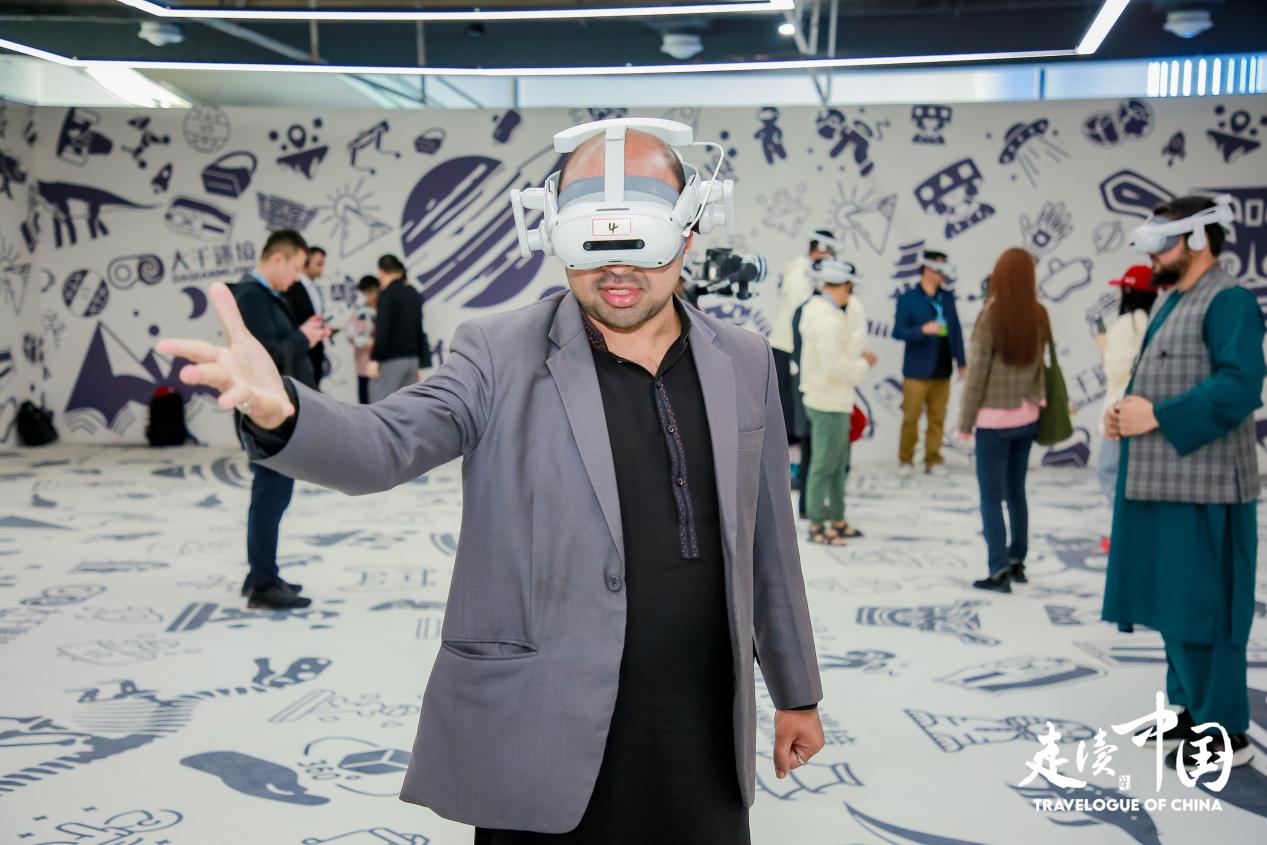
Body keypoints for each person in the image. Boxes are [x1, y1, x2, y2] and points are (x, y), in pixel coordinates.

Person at [160, 118, 824, 843]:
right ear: (553, 234)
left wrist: (796, 692)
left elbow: (769, 545)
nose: (617, 270)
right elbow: (385, 443)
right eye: (590, 244)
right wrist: (285, 411)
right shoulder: (496, 352)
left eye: (642, 241)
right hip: (542, 726)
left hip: (699, 726)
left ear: (690, 232)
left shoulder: (745, 361)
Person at [1102, 195, 1263, 772]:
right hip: (1163, 480)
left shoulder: (1230, 300)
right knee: (1175, 607)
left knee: (1208, 609)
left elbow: (1240, 387)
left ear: (1198, 240)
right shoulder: (1175, 299)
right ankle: (1190, 709)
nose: (1153, 255)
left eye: (1162, 242)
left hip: (1208, 487)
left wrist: (1157, 416)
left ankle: (1225, 730)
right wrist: (1122, 413)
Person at [228, 229, 328, 610]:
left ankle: (261, 573)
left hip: (274, 414)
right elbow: (266, 357)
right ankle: (263, 584)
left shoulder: (262, 296)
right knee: (271, 494)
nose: (297, 278)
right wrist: (303, 338)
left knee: (272, 494)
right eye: (297, 268)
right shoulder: (252, 297)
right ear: (279, 258)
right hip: (267, 416)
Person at [956, 247, 1050, 594]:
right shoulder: (1038, 313)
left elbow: (977, 374)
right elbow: (1041, 364)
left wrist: (965, 422)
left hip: (994, 421)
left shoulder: (991, 315)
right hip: (1027, 416)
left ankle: (997, 569)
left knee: (991, 496)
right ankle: (1016, 560)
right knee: (1016, 493)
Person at [797, 257, 875, 544]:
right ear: (841, 286)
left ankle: (837, 519)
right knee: (824, 465)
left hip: (835, 399)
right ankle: (818, 524)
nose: (850, 295)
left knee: (837, 465)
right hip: (827, 401)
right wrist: (864, 365)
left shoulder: (825, 314)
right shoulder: (827, 321)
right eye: (849, 288)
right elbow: (834, 367)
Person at [1094, 265, 1157, 552]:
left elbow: (1116, 369)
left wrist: (1105, 347)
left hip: (1118, 412)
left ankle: (1125, 533)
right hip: (1143, 410)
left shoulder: (1125, 325)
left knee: (1110, 473)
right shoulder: (1155, 321)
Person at [893, 250, 965, 476]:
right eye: (937, 268)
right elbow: (898, 331)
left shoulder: (947, 297)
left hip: (943, 368)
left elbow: (956, 331)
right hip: (916, 370)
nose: (942, 274)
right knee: (911, 418)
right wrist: (922, 330)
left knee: (937, 418)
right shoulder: (908, 299)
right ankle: (906, 460)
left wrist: (961, 361)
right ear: (926, 269)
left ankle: (933, 459)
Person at [770, 230, 837, 436]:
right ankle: (789, 450)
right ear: (822, 249)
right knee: (788, 404)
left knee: (790, 402)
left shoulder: (802, 270)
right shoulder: (801, 274)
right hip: (789, 345)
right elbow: (799, 314)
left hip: (790, 344)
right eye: (831, 253)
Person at [367, 254, 424, 403]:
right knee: (408, 404)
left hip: (392, 359)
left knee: (380, 404)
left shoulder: (387, 294)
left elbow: (382, 328)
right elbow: (418, 327)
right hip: (412, 358)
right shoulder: (412, 292)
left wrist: (375, 358)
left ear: (381, 271)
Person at [282, 245, 328, 388]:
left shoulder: (315, 288)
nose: (321, 268)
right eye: (318, 264)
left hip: (317, 348)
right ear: (306, 263)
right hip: (302, 350)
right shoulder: (292, 287)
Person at [346, 274, 380, 405]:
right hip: (363, 365)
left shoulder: (385, 309)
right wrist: (363, 342)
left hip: (384, 366)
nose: (370, 295)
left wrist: (377, 342)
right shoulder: (359, 312)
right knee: (365, 404)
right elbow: (350, 334)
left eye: (372, 291)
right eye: (366, 292)